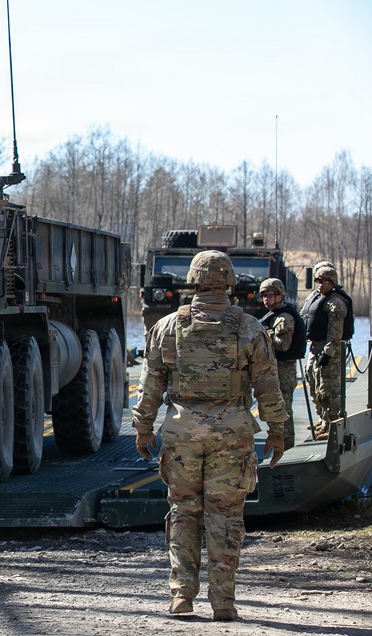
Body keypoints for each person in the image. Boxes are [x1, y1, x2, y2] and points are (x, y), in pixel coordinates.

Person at [132, 250, 286, 622]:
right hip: (232, 436)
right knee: (226, 516)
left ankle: (182, 596)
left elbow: (150, 386)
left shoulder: (167, 326)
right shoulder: (250, 327)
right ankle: (224, 603)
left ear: (195, 281)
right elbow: (269, 386)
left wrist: (142, 428)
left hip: (182, 435)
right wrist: (277, 432)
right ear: (229, 282)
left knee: (183, 513)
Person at [300, 264, 349, 437]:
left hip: (329, 351)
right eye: (318, 281)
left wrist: (327, 354)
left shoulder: (335, 303)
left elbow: (335, 332)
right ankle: (323, 419)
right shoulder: (316, 298)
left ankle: (334, 425)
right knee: (314, 385)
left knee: (329, 388)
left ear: (332, 282)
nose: (320, 284)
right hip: (314, 347)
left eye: (324, 281)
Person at [259, 278, 306, 449]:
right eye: (264, 295)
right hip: (275, 369)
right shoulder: (274, 316)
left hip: (283, 370)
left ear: (280, 296)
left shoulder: (284, 318)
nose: (266, 299)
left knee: (283, 409)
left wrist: (265, 334)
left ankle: (286, 445)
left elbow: (282, 345)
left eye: (270, 295)